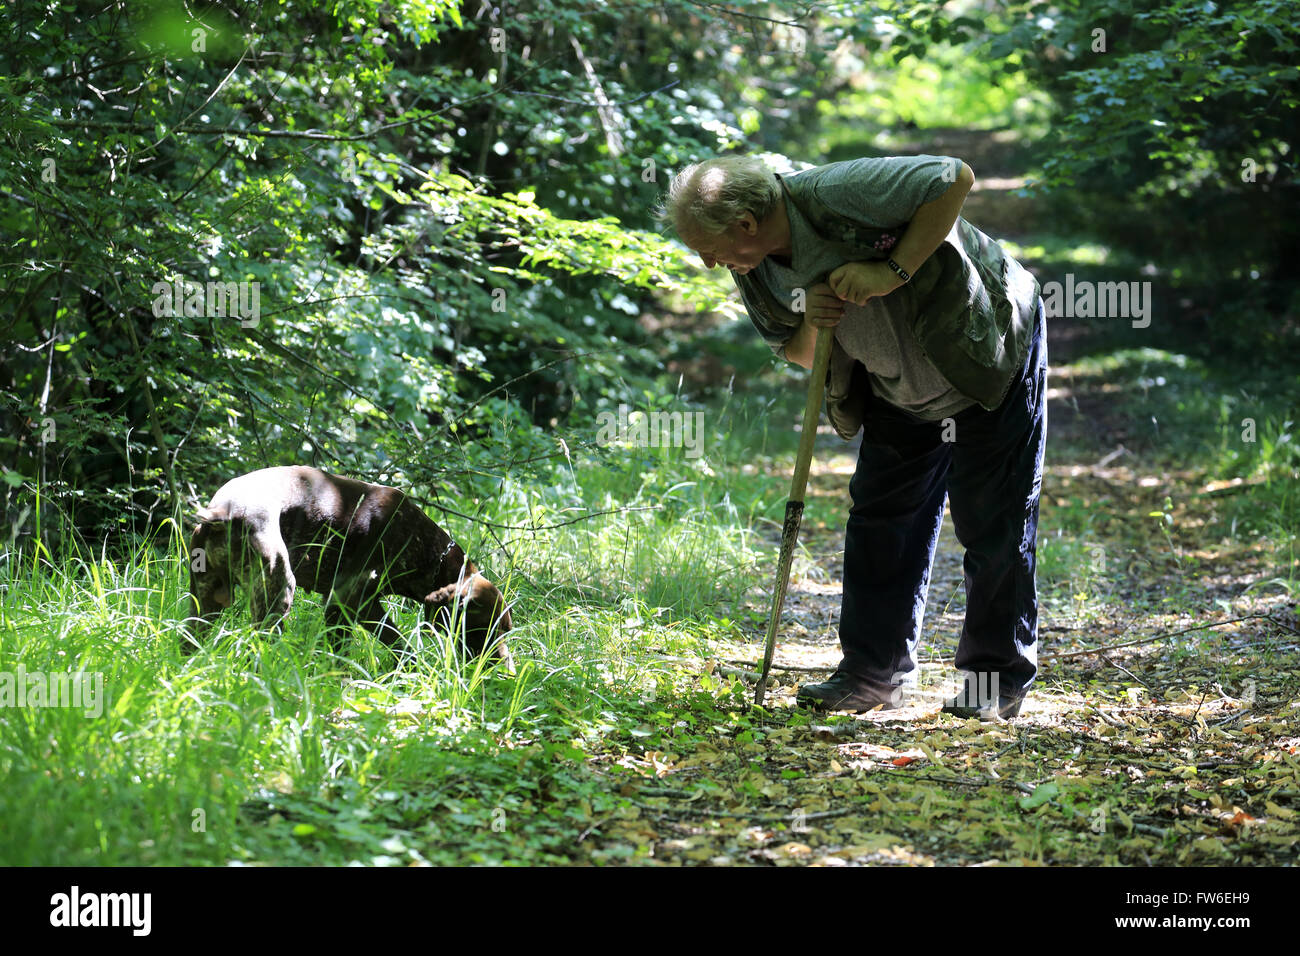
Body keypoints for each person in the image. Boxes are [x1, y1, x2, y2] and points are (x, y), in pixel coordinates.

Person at [657, 154, 1047, 720]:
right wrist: (815, 321)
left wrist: (890, 273)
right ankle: (872, 674)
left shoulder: (837, 192)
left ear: (745, 222)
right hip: (895, 386)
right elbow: (796, 351)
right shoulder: (755, 268)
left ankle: (995, 681)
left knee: (994, 520)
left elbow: (954, 177)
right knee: (881, 521)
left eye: (708, 247)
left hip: (988, 353)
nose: (708, 261)